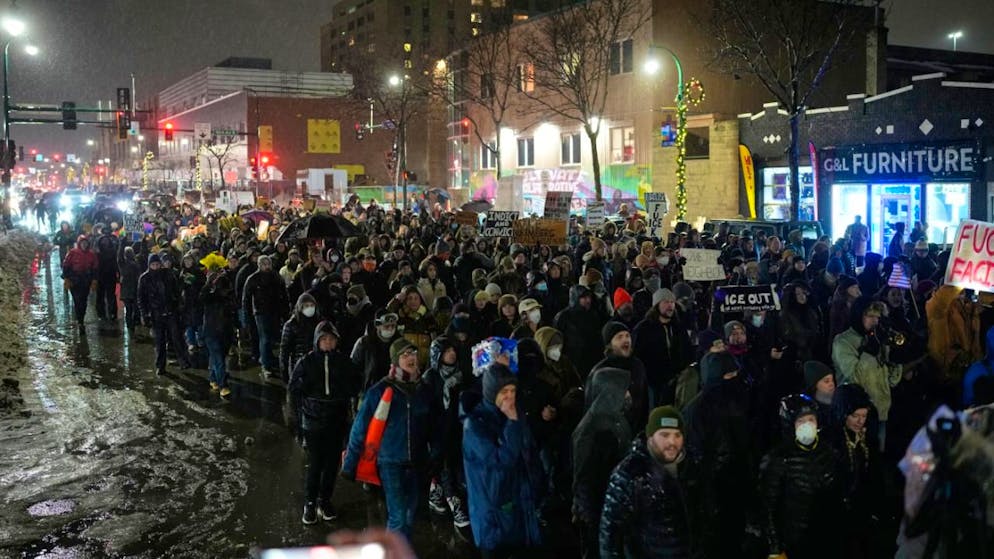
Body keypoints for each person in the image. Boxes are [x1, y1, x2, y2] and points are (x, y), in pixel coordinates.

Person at [342, 338, 443, 539]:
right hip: (390, 463)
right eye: (405, 355)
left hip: (417, 463)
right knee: (398, 517)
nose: (411, 358)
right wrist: (350, 463)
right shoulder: (379, 391)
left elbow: (436, 426)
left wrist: (436, 455)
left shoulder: (425, 390)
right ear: (395, 360)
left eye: (413, 353)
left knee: (409, 515)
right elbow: (359, 428)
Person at [462, 337, 542, 558]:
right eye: (503, 393)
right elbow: (501, 462)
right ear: (491, 393)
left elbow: (528, 452)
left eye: (512, 392)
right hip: (494, 518)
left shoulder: (515, 415)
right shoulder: (475, 425)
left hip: (519, 508)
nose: (509, 398)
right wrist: (513, 423)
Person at [599, 406, 700, 559]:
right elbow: (610, 534)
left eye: (677, 435)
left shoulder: (692, 467)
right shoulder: (630, 473)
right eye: (664, 435)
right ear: (650, 437)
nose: (672, 442)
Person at [289, 321, 360, 524]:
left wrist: (347, 390)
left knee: (331, 465)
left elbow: (355, 384)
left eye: (331, 339)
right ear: (317, 341)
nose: (328, 343)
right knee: (315, 464)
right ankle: (309, 503)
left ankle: (325, 500)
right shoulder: (306, 362)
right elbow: (294, 390)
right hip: (313, 423)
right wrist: (296, 420)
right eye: (324, 339)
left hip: (337, 421)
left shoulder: (343, 362)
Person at [760, 394, 840, 559]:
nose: (807, 425)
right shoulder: (777, 459)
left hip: (826, 538)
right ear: (790, 424)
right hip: (794, 541)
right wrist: (775, 548)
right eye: (801, 421)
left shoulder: (828, 452)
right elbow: (768, 507)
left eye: (811, 419)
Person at [571, 367, 631, 558]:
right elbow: (584, 480)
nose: (628, 394)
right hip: (600, 513)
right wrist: (592, 519)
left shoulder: (615, 419)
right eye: (624, 389)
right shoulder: (592, 431)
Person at [832, 299, 902, 446]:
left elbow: (891, 380)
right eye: (870, 316)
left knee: (877, 454)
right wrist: (869, 351)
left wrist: (895, 359)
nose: (875, 321)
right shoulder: (843, 342)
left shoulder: (877, 338)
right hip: (854, 412)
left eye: (878, 317)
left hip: (880, 410)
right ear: (858, 315)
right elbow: (855, 377)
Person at [827, 383, 884, 559]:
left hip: (862, 507)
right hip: (839, 512)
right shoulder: (831, 441)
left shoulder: (868, 435)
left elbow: (874, 472)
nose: (860, 421)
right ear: (842, 413)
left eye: (864, 415)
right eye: (854, 416)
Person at [632, 288, 692, 407]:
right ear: (656, 305)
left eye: (672, 302)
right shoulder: (644, 329)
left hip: (676, 381)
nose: (670, 306)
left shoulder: (678, 327)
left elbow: (687, 350)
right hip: (652, 383)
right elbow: (637, 356)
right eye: (666, 302)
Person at [138, 253, 191, 375]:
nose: (156, 267)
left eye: (157, 264)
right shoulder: (144, 278)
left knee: (176, 337)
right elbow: (141, 298)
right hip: (156, 314)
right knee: (159, 341)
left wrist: (179, 305)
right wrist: (144, 314)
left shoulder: (168, 274)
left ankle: (183, 360)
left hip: (170, 311)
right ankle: (160, 365)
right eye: (153, 265)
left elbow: (176, 291)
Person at [242, 255, 289, 378]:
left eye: (268, 264)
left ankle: (268, 358)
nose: (267, 266)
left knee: (271, 337)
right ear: (259, 265)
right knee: (265, 338)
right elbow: (246, 299)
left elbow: (283, 294)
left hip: (275, 311)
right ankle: (265, 365)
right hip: (260, 312)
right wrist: (247, 316)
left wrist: (285, 311)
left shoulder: (276, 277)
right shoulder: (253, 279)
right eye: (264, 264)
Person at [200, 255, 236, 397]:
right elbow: (202, 299)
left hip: (225, 329)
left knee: (219, 356)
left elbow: (233, 302)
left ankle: (213, 378)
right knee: (219, 358)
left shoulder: (227, 287)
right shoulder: (208, 291)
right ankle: (223, 385)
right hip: (211, 329)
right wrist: (208, 284)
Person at [554, 285, 605, 379]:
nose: (588, 300)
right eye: (583, 297)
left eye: (589, 297)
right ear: (575, 298)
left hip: (591, 361)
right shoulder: (563, 317)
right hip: (572, 360)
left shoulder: (593, 315)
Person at [280, 293, 323, 383]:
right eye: (306, 306)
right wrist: (284, 370)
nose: (310, 308)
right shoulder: (291, 325)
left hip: (316, 365)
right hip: (298, 365)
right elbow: (285, 349)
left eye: (312, 305)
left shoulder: (320, 322)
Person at [61, 235, 98, 328]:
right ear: (79, 244)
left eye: (86, 243)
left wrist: (94, 280)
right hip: (74, 280)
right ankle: (80, 320)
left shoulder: (91, 254)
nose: (84, 245)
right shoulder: (72, 253)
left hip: (86, 280)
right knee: (77, 300)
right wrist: (67, 278)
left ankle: (81, 317)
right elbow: (66, 266)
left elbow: (95, 268)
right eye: (82, 243)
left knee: (84, 300)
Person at [93, 224, 120, 321]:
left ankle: (108, 313)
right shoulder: (101, 240)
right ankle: (106, 313)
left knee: (107, 294)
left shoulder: (112, 239)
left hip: (108, 270)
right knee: (105, 293)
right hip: (104, 270)